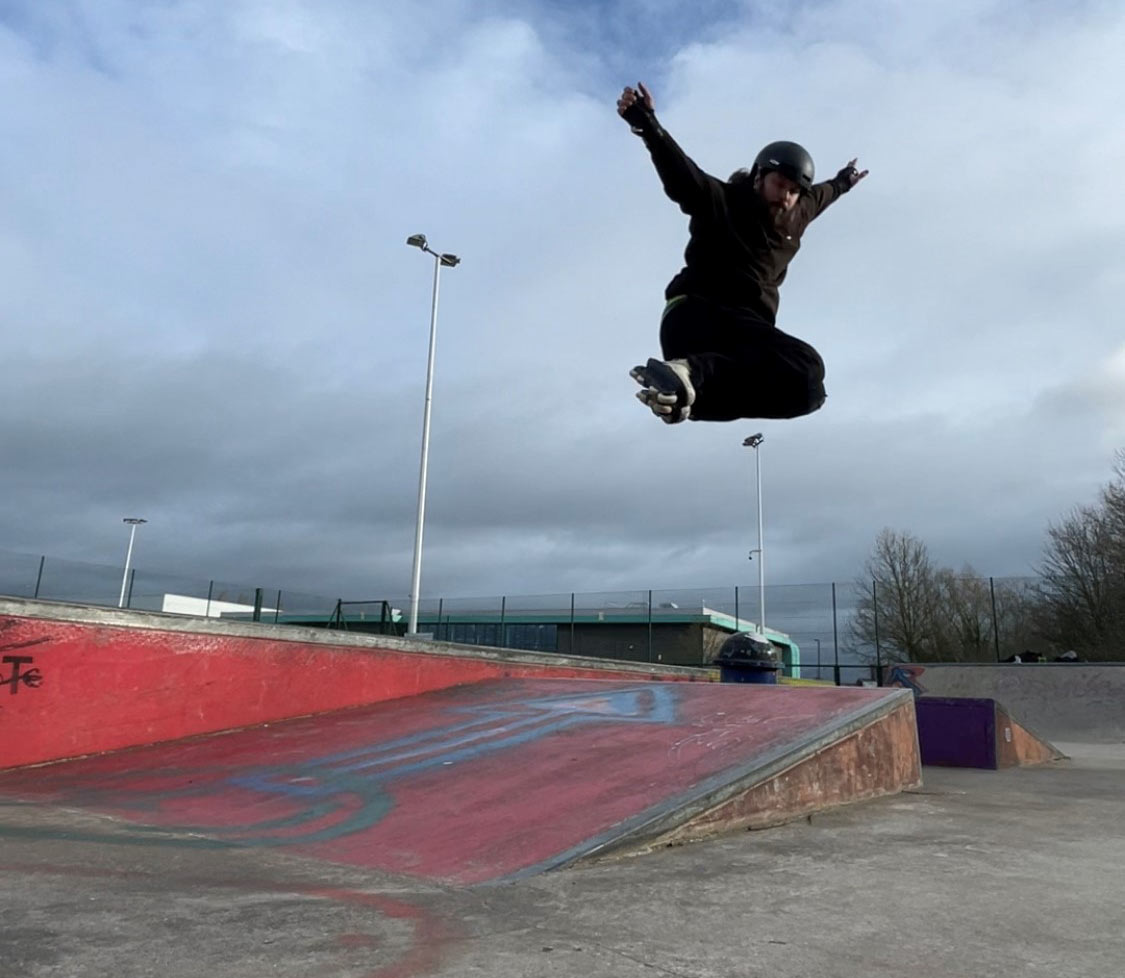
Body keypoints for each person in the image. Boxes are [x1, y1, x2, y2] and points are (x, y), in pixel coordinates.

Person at [617, 82, 868, 424]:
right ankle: (689, 371)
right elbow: (682, 175)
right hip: (697, 314)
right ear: (758, 177)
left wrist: (844, 180)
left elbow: (824, 194)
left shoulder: (798, 213)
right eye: (780, 184)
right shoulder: (723, 201)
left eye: (795, 191)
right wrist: (649, 126)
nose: (786, 197)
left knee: (808, 390)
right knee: (809, 363)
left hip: (737, 344)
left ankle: (681, 397)